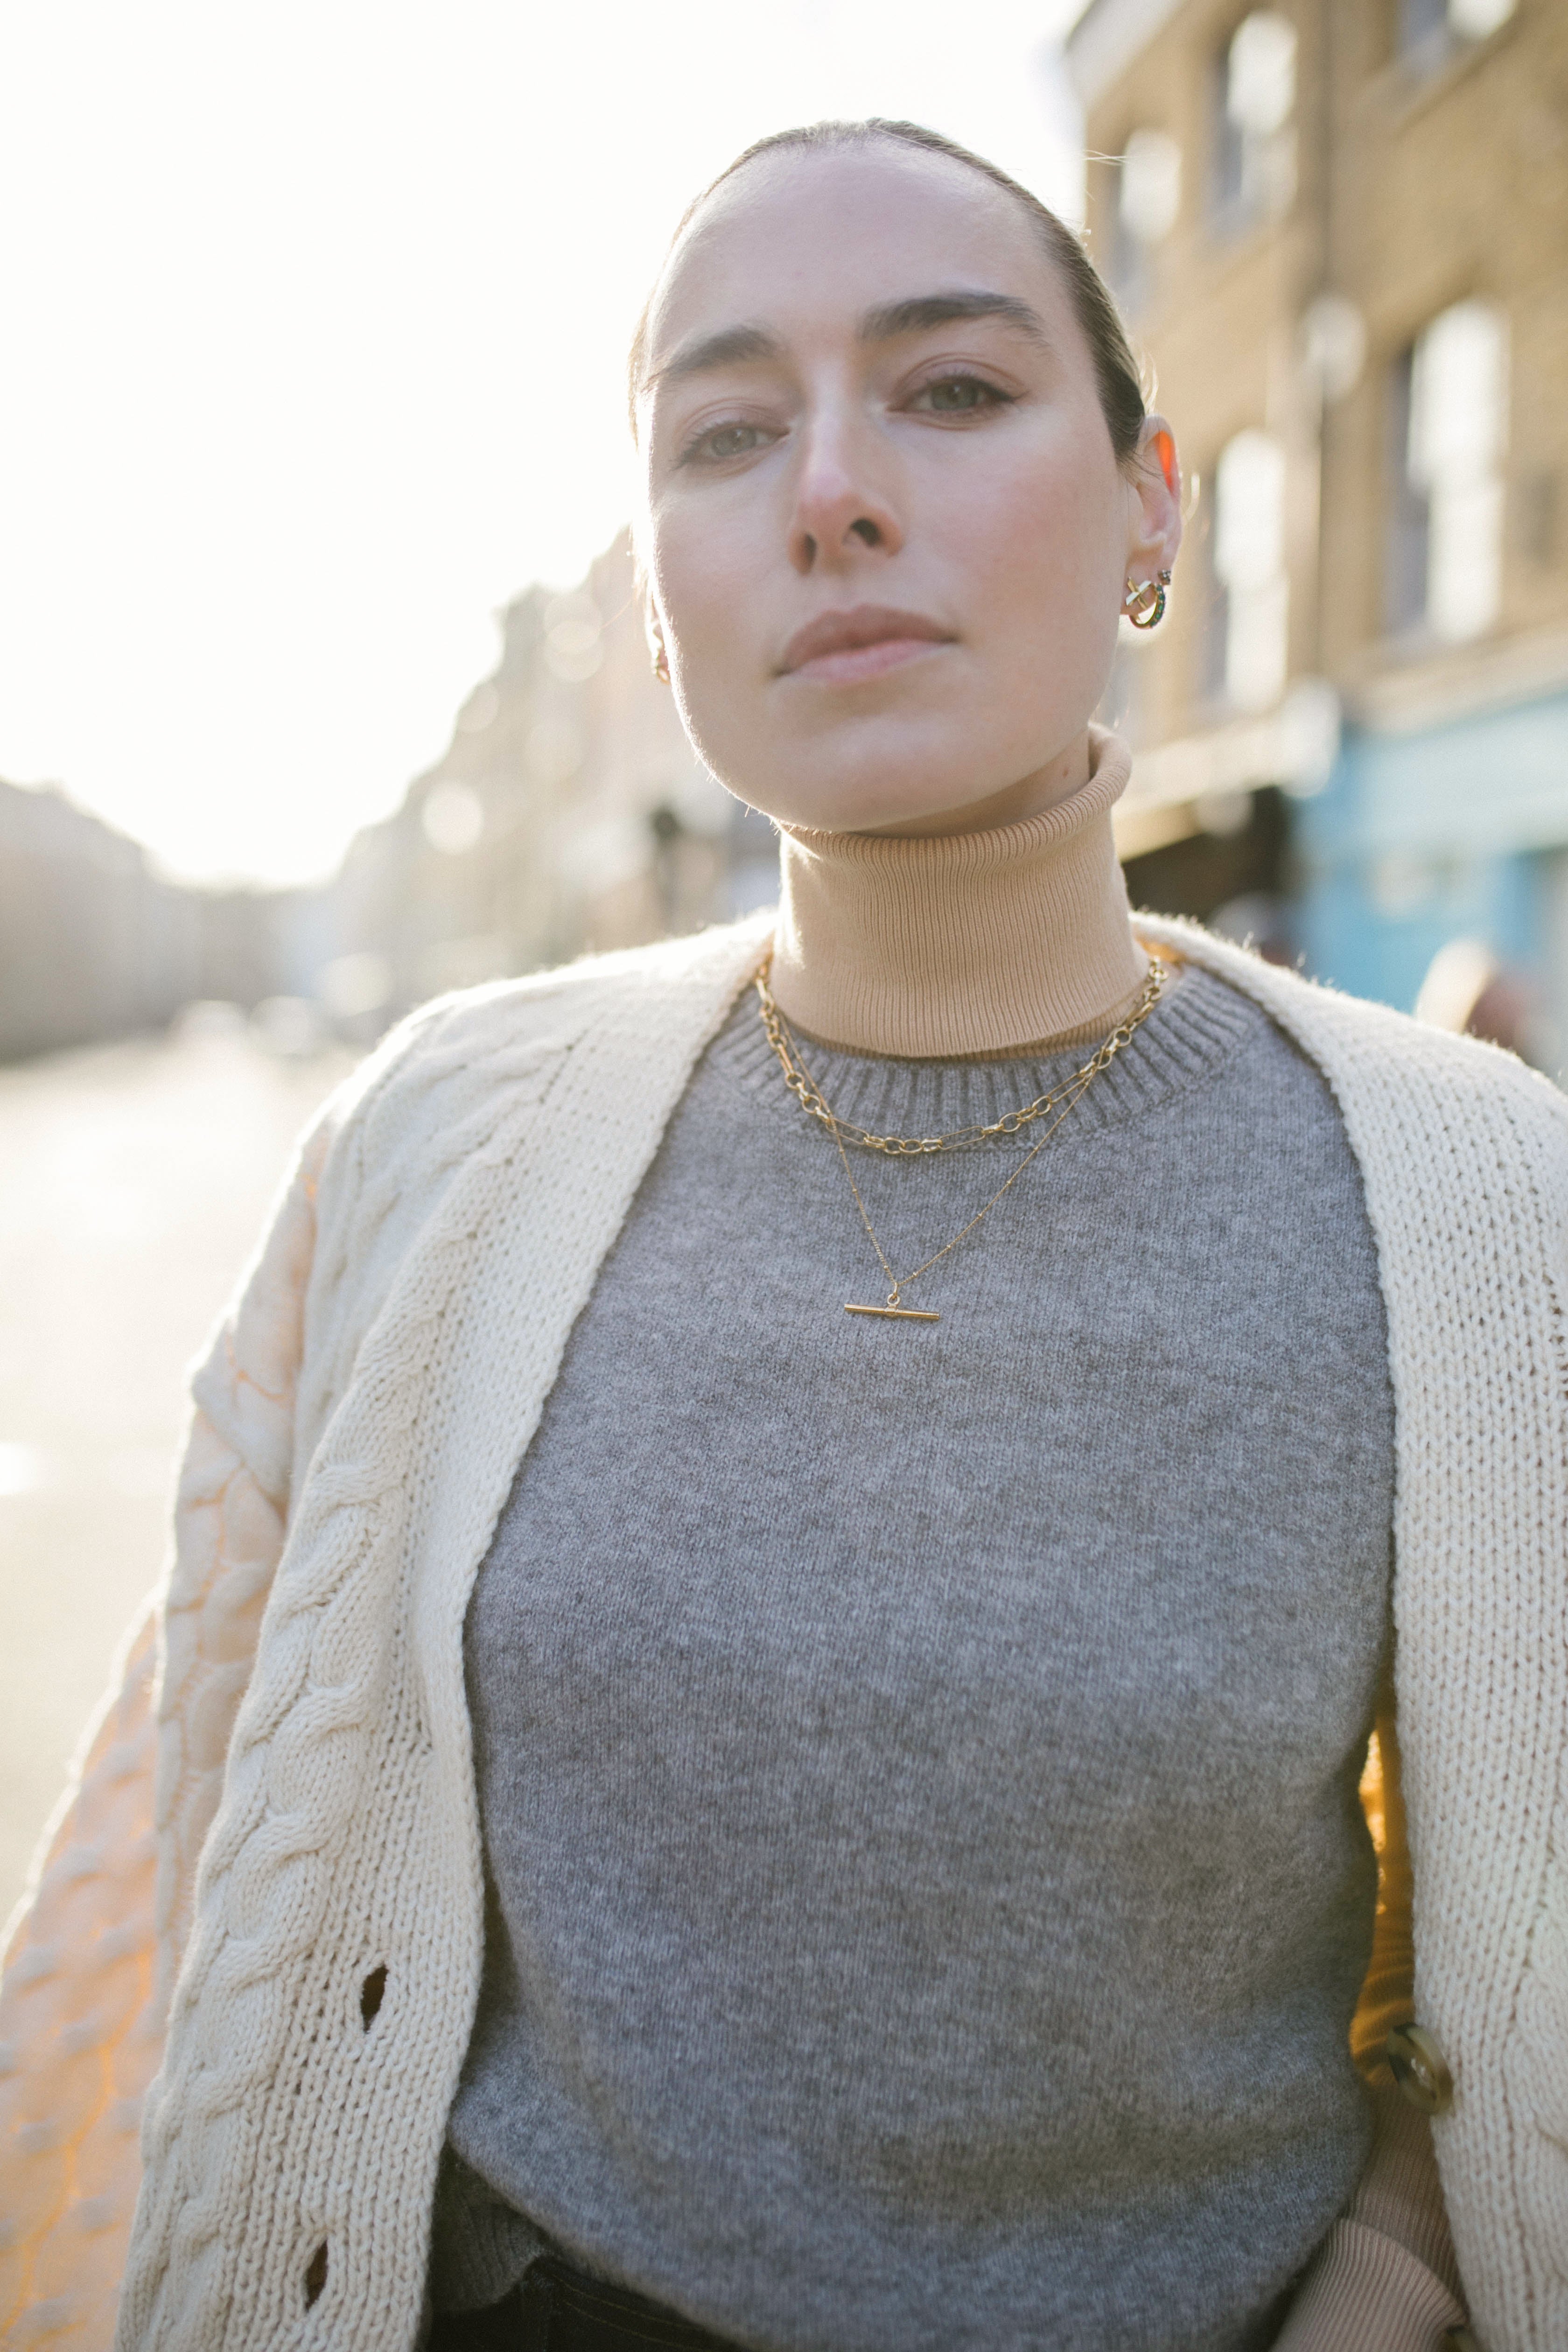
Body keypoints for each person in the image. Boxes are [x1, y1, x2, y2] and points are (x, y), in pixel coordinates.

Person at [1, 118, 1563, 2352]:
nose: (831, 491)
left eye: (951, 389)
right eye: (726, 431)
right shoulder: (428, 1143)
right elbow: (236, 1855)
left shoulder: (1480, 1202)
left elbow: (1529, 1936)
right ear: (658, 587)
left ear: (1152, 507)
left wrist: (1396, 2273)